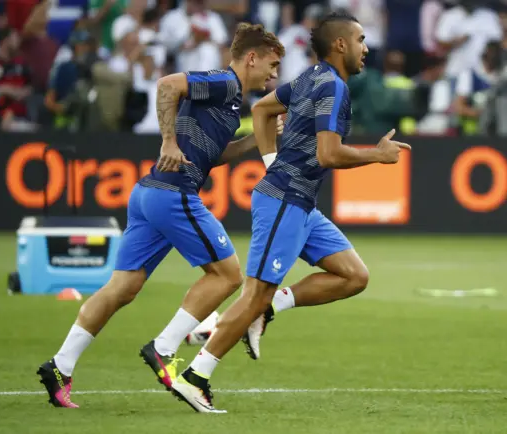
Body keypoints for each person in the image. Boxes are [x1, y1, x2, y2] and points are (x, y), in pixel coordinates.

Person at [36, 22, 285, 409]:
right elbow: (168, 84)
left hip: (148, 193)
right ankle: (164, 347)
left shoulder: (231, 99)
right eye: (272, 64)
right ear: (251, 58)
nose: (275, 74)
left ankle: (60, 365)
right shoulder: (226, 82)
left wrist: (257, 139)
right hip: (173, 194)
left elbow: (214, 157)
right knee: (229, 275)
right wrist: (167, 139)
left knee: (122, 288)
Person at [172, 11, 411, 414]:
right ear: (340, 45)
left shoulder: (309, 77)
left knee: (353, 276)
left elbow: (263, 111)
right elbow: (328, 153)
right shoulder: (332, 86)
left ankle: (269, 309)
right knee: (252, 294)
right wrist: (377, 156)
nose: (366, 48)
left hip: (298, 202)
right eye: (360, 39)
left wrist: (270, 161)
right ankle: (196, 375)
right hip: (284, 200)